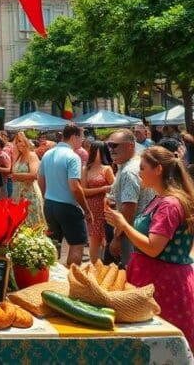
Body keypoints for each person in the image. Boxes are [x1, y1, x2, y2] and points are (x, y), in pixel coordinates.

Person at [105, 146, 194, 350]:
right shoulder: (161, 199)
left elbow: (154, 248)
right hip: (155, 281)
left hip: (165, 286)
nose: (139, 172)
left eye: (143, 168)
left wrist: (124, 225)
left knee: (163, 346)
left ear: (158, 170)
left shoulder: (169, 205)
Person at [38, 123, 92, 266]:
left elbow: (40, 180)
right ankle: (70, 281)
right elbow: (75, 187)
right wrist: (86, 209)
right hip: (67, 206)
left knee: (53, 245)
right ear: (74, 137)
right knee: (77, 245)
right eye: (81, 137)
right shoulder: (73, 157)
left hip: (50, 204)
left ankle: (51, 279)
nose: (83, 140)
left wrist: (46, 197)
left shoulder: (47, 154)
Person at [107, 129, 155, 267]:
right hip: (141, 231)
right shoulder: (134, 165)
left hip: (132, 233)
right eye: (109, 145)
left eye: (115, 145)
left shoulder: (129, 171)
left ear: (130, 146)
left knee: (132, 274)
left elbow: (129, 209)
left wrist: (117, 238)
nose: (111, 149)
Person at [81, 141, 115, 263]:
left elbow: (114, 189)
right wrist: (102, 189)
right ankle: (94, 265)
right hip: (92, 209)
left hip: (105, 207)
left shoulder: (107, 169)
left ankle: (104, 266)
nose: (95, 153)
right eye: (94, 150)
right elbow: (83, 191)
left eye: (98, 150)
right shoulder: (85, 169)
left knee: (106, 237)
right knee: (94, 239)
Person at [10, 131, 45, 227]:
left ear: (26, 141)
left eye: (20, 141)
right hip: (18, 195)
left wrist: (16, 176)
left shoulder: (32, 155)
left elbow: (34, 175)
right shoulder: (18, 157)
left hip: (30, 196)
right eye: (16, 142)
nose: (18, 144)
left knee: (33, 226)